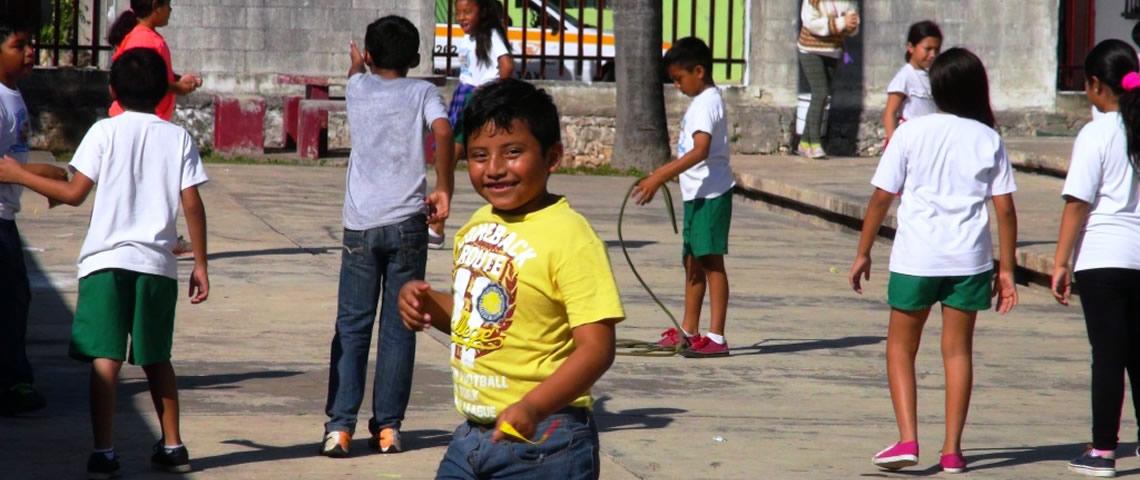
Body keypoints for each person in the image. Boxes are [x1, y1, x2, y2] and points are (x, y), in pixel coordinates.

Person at [397, 78, 623, 479]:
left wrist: (534, 406)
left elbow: (596, 348)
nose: (495, 169)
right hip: (471, 437)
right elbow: (476, 319)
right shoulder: (476, 225)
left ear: (552, 156)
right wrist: (428, 305)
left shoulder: (571, 236)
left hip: (548, 440)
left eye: (513, 152)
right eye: (480, 156)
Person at [0, 48, 210, 479]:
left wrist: (18, 175)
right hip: (155, 264)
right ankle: (172, 444)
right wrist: (202, 263)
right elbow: (193, 203)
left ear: (113, 90)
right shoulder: (177, 137)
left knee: (105, 360)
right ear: (162, 93)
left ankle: (105, 450)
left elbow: (74, 193)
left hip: (105, 262)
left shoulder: (103, 131)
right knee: (157, 358)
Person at [848, 48, 1019, 474]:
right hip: (969, 260)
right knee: (958, 353)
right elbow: (1005, 210)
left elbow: (880, 199)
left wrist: (863, 251)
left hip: (917, 258)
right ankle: (952, 452)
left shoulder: (911, 133)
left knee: (900, 348)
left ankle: (907, 440)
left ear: (936, 88)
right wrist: (1007, 270)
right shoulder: (988, 138)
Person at [320, 15, 455, 458]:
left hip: (361, 225)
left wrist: (358, 63)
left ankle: (340, 428)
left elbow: (355, 75)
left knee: (352, 325)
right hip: (407, 224)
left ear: (371, 56)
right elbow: (442, 130)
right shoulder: (423, 92)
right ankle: (389, 428)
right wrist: (444, 188)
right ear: (416, 58)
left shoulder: (357, 88)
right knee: (400, 328)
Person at [1052, 39, 1140, 479]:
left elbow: (1076, 203)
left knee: (1107, 356)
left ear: (1094, 84)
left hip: (1104, 258)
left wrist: (1060, 261)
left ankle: (1103, 450)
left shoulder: (1097, 133)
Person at [633, 37, 734, 357]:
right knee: (692, 262)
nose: (676, 85)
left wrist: (660, 175)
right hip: (697, 194)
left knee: (711, 261)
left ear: (699, 71)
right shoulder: (702, 102)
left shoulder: (707, 102)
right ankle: (688, 330)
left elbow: (701, 150)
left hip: (711, 193)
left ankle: (716, 336)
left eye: (679, 78)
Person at [0, 4, 68, 417]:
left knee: (14, 299)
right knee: (11, 301)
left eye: (32, 45)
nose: (29, 53)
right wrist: (41, 174)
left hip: (6, 216)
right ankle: (12, 383)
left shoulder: (14, 95)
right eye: (19, 45)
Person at [431, 0, 514, 249]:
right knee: (444, 160)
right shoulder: (466, 39)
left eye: (467, 12)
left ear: (483, 12)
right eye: (458, 13)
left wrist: (488, 92)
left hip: (479, 103)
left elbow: (507, 66)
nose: (461, 17)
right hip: (462, 100)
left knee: (485, 164)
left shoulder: (490, 35)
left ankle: (503, 220)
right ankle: (437, 225)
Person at [107, 0, 201, 121]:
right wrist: (177, 88)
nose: (170, 10)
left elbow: (154, 74)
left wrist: (178, 79)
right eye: (168, 5)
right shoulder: (145, 40)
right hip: (136, 120)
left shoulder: (148, 37)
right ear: (156, 6)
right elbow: (142, 82)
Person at [796, 0, 859, 159]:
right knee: (820, 93)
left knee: (822, 97)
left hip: (832, 51)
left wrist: (851, 26)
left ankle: (804, 143)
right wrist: (840, 23)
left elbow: (852, 22)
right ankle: (816, 143)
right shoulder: (813, 2)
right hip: (810, 50)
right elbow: (811, 23)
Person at [882, 20, 941, 145]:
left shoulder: (933, 76)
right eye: (928, 49)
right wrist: (894, 144)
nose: (932, 55)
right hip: (910, 141)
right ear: (911, 47)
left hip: (929, 140)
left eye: (936, 50)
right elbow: (890, 112)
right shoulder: (905, 76)